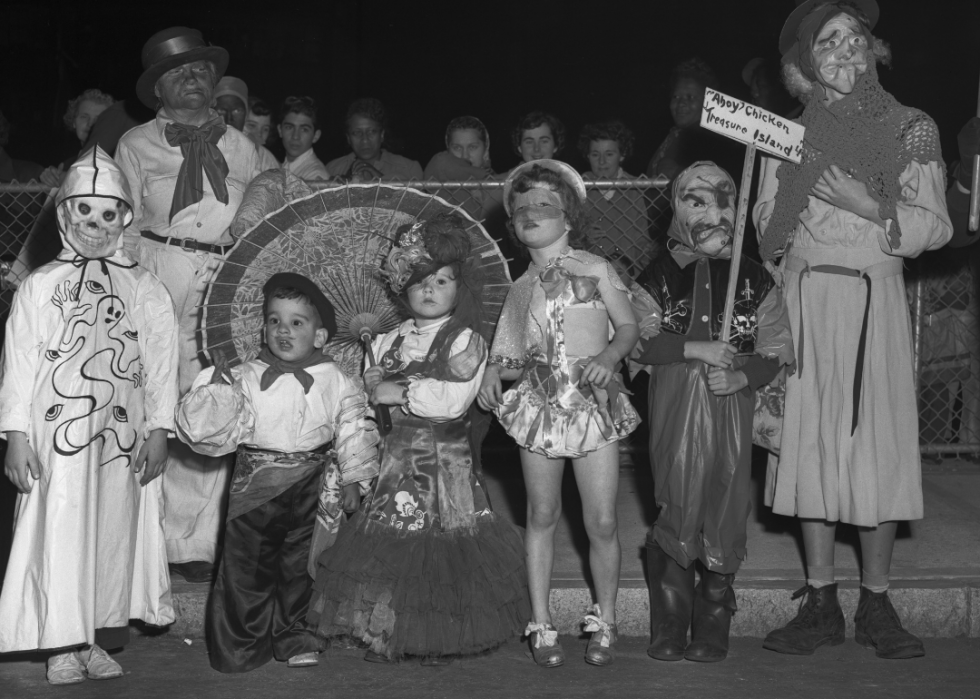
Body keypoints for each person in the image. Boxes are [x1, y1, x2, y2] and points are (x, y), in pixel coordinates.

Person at [754, 0, 951, 660]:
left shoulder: (911, 129)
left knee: (878, 445)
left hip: (874, 299)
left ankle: (876, 599)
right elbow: (763, 228)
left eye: (854, 38)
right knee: (806, 442)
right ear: (803, 66)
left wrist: (868, 203)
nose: (843, 49)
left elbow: (934, 226)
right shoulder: (782, 135)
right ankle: (818, 600)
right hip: (806, 300)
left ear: (874, 51)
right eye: (827, 41)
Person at [308, 212, 529, 665]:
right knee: (393, 550)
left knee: (442, 555)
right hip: (394, 467)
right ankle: (391, 632)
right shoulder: (388, 340)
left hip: (443, 467)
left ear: (458, 289)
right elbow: (370, 408)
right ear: (402, 287)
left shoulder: (466, 341)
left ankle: (437, 634)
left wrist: (397, 390)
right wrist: (370, 385)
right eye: (421, 281)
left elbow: (450, 402)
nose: (430, 290)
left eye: (442, 281)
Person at [0, 146, 179, 684]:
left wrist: (160, 429)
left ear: (125, 217)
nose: (96, 225)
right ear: (63, 215)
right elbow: (20, 363)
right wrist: (14, 434)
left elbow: (162, 364)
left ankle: (95, 634)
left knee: (112, 534)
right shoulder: (40, 286)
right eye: (84, 212)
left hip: (120, 438)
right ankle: (60, 640)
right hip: (55, 437)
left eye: (108, 214)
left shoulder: (143, 287)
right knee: (59, 530)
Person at [478, 160, 640, 667]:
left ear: (568, 216)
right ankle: (541, 623)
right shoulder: (521, 286)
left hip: (593, 406)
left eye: (544, 205)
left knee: (602, 520)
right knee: (541, 514)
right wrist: (489, 372)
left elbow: (628, 327)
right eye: (521, 208)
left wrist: (610, 358)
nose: (531, 213)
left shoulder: (595, 268)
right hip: (541, 407)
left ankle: (606, 619)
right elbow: (507, 354)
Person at [175, 273, 380, 673]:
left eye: (297, 323)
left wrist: (355, 478)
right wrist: (216, 393)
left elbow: (354, 427)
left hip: (313, 485)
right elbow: (208, 435)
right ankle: (240, 646)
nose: (283, 331)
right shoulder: (244, 376)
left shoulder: (336, 379)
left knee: (302, 568)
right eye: (274, 321)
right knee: (244, 569)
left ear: (320, 336)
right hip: (255, 486)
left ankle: (294, 635)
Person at [116, 26, 262, 584]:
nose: (193, 79)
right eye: (178, 73)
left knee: (210, 399)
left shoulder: (242, 147)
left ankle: (196, 543)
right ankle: (147, 537)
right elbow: (121, 224)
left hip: (221, 281)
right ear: (157, 90)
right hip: (158, 277)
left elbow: (262, 218)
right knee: (156, 398)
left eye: (201, 70)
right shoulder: (134, 144)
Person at [634, 161, 794, 663]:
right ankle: (671, 616)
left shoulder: (754, 278)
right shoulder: (658, 275)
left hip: (730, 403)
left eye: (725, 201)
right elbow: (637, 339)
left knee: (726, 498)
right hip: (677, 400)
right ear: (677, 208)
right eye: (697, 200)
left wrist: (744, 375)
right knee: (677, 492)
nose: (713, 212)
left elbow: (777, 348)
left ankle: (714, 615)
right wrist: (694, 350)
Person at [579, 120, 654, 280]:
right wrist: (584, 237)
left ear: (622, 155)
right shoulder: (579, 188)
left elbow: (642, 238)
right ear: (587, 155)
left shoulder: (633, 187)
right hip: (591, 275)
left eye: (609, 154)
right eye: (595, 154)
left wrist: (650, 252)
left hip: (628, 275)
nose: (601, 161)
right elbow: (568, 238)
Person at [646, 59, 742, 183]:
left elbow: (721, 184)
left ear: (706, 102)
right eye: (676, 97)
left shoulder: (711, 139)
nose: (681, 103)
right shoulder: (676, 134)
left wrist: (677, 172)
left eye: (690, 97)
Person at [40, 90, 142, 189]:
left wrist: (65, 178)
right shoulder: (68, 164)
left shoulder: (119, 159)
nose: (90, 124)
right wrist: (50, 177)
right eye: (84, 117)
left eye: (99, 119)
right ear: (73, 121)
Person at [325, 98, 423, 182]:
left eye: (372, 132)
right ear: (348, 138)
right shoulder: (332, 169)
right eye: (357, 133)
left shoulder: (409, 168)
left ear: (382, 135)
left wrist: (380, 179)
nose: (364, 140)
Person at [214, 77, 279, 173]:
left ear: (245, 114)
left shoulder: (263, 158)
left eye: (237, 111)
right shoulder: (194, 149)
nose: (229, 119)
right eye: (221, 110)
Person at [279, 96, 329, 181]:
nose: (295, 136)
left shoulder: (316, 176)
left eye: (304, 129)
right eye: (289, 127)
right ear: (280, 130)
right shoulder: (279, 167)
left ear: (316, 136)